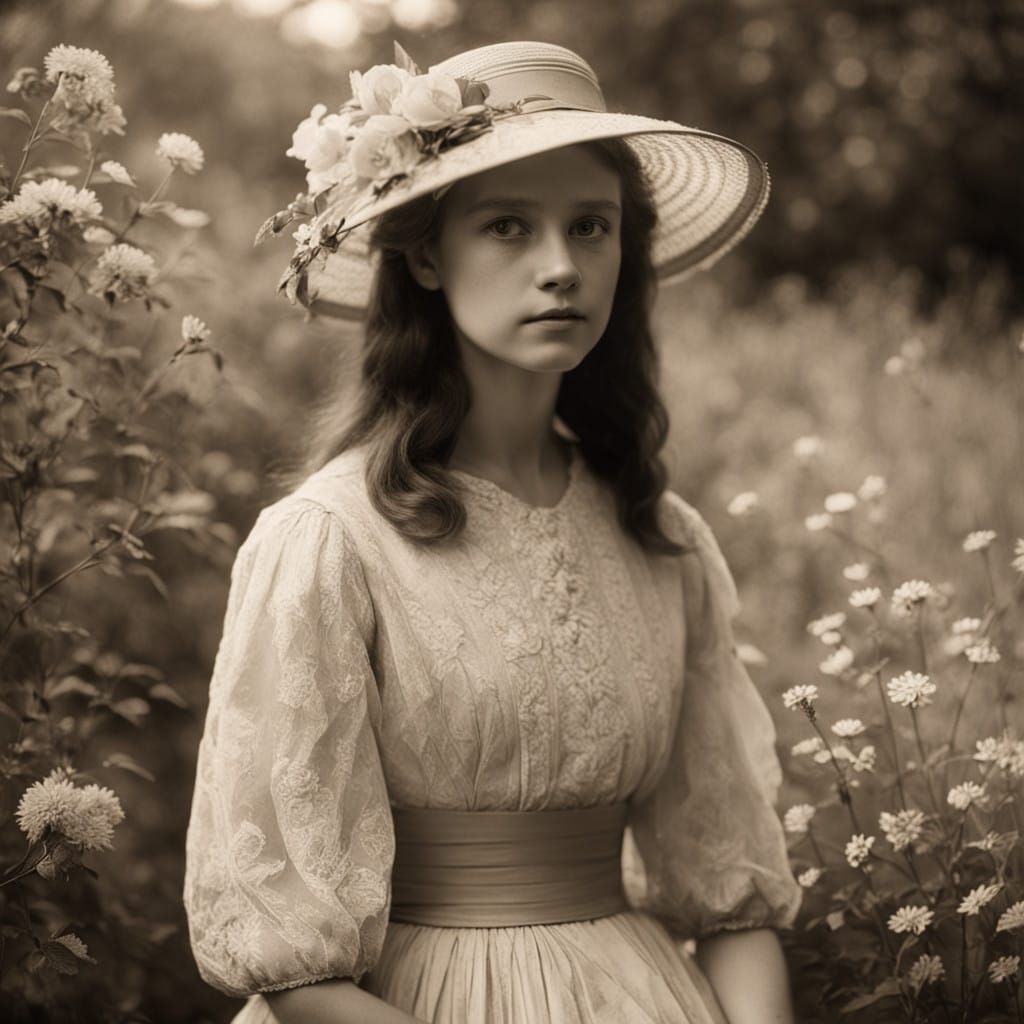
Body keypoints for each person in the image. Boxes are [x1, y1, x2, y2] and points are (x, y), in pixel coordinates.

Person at [183, 40, 802, 1024]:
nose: (560, 267)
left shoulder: (660, 538)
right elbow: (293, 966)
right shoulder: (329, 540)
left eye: (590, 227)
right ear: (427, 254)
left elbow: (729, 896)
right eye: (508, 226)